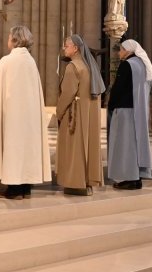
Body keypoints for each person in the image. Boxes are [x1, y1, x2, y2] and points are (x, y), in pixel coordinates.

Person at [0, 26, 50, 200]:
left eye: (10, 36)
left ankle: (13, 189)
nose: (8, 39)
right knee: (26, 149)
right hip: (29, 118)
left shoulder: (7, 61)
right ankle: (26, 188)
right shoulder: (31, 62)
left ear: (15, 39)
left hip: (12, 117)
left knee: (13, 148)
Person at [56, 34, 105, 196]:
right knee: (87, 148)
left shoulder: (73, 67)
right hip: (88, 116)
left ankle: (75, 183)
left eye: (66, 46)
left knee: (74, 150)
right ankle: (87, 182)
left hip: (74, 116)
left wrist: (59, 112)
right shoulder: (89, 67)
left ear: (75, 48)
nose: (64, 48)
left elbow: (67, 94)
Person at [107, 39, 152, 190]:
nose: (119, 52)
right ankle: (137, 177)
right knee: (135, 145)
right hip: (138, 111)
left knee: (125, 146)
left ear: (128, 50)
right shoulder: (142, 64)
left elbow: (118, 88)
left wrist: (111, 104)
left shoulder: (127, 65)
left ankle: (129, 178)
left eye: (121, 49)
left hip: (125, 111)